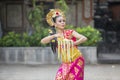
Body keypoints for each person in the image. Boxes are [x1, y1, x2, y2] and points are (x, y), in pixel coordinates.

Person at [41, 9, 87, 80]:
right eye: (60, 21)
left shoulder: (70, 32)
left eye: (63, 21)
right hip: (65, 63)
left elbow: (84, 38)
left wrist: (74, 43)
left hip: (76, 60)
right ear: (55, 24)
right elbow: (43, 41)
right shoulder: (54, 37)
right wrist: (54, 36)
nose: (63, 23)